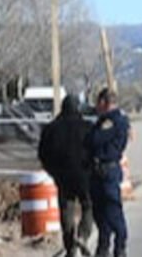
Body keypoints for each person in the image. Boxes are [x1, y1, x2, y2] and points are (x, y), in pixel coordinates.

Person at [38, 95, 94, 257]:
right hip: (84, 173)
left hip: (62, 175)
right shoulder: (87, 127)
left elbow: (42, 154)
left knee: (66, 208)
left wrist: (53, 171)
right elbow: (95, 149)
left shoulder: (51, 129)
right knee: (88, 205)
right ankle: (83, 235)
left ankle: (70, 247)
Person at [86, 88, 130, 257]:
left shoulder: (112, 121)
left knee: (112, 211)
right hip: (98, 172)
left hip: (107, 171)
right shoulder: (105, 120)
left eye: (98, 103)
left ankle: (120, 247)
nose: (96, 107)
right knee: (100, 213)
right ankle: (103, 247)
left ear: (105, 103)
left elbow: (94, 139)